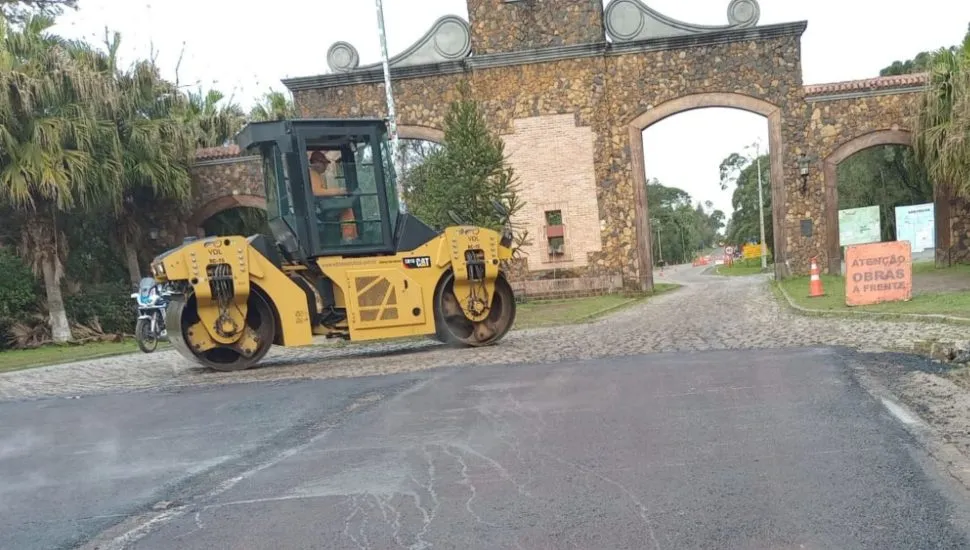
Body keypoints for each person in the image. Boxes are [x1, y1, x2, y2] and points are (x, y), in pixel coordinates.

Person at [307, 151, 358, 242]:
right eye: (325, 164)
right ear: (317, 163)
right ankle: (349, 238)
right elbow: (317, 192)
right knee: (346, 209)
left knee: (345, 207)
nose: (326, 167)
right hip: (318, 209)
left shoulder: (315, 174)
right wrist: (338, 191)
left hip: (320, 206)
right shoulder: (312, 173)